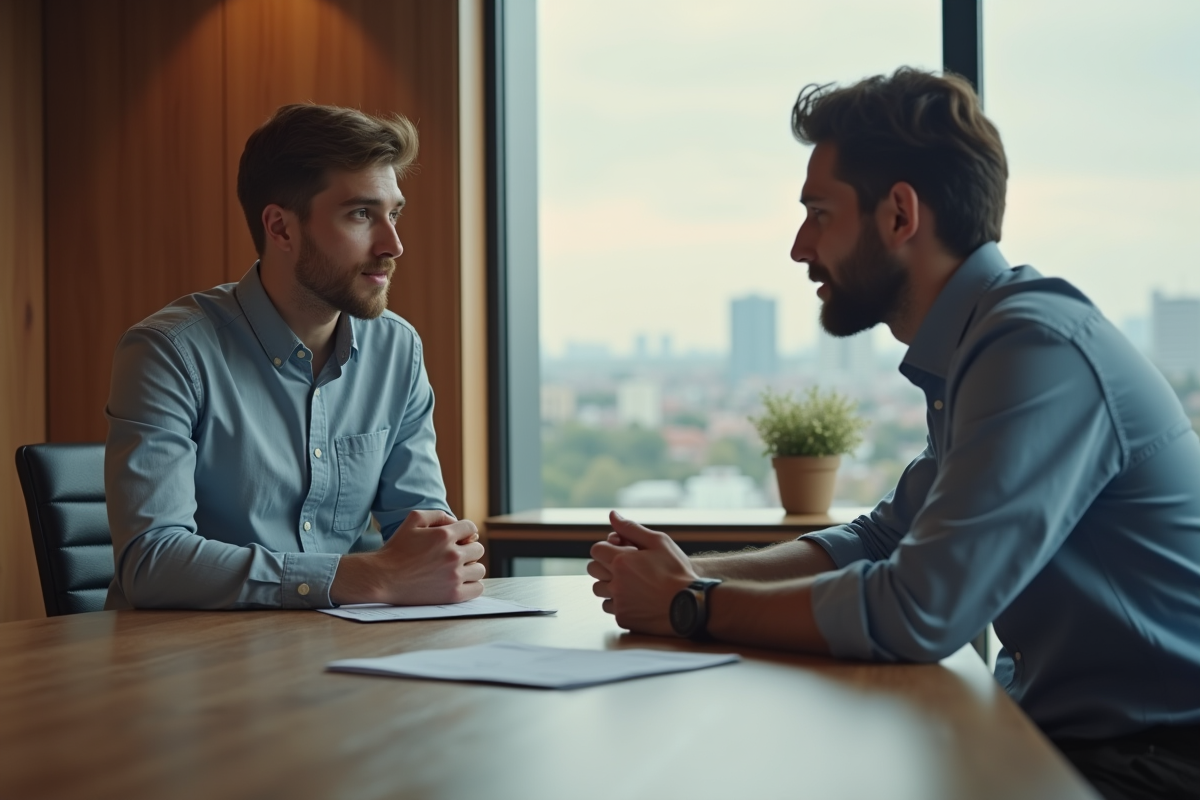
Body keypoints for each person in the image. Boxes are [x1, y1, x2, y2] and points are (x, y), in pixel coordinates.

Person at [589, 69, 1200, 799]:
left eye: (819, 212)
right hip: (1081, 736)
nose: (797, 246)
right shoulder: (981, 343)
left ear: (900, 216)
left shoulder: (1034, 350)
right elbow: (884, 538)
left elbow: (919, 609)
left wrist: (695, 607)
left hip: (1158, 760)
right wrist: (691, 574)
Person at [105, 104, 484, 610]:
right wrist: (363, 578)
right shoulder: (169, 353)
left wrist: (443, 557)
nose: (393, 244)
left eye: (393, 213)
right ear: (281, 228)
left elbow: (421, 531)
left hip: (338, 655)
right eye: (361, 214)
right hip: (183, 666)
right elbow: (152, 563)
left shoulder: (397, 349)